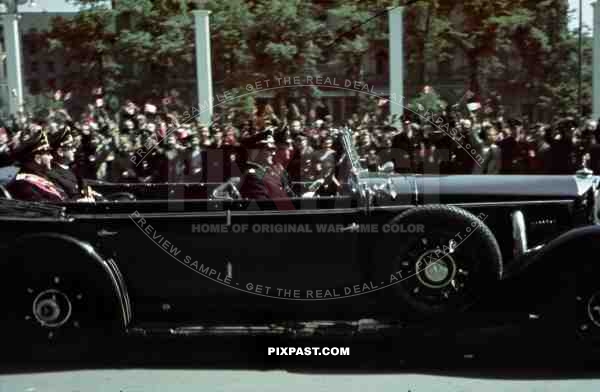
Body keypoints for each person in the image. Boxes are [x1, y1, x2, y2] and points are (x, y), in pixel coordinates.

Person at [6, 131, 69, 202]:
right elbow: (47, 208)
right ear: (38, 158)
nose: (51, 157)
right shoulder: (23, 183)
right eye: (48, 154)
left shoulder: (42, 176)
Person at [239, 128, 295, 202]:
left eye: (274, 149)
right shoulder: (252, 176)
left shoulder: (270, 172)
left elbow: (290, 196)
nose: (273, 153)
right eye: (269, 149)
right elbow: (264, 207)